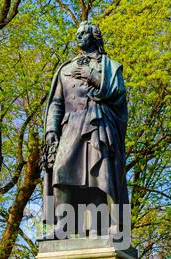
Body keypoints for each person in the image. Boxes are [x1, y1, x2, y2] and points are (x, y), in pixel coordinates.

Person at [43, 21, 128, 238]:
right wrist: (51, 129)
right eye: (77, 34)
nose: (79, 36)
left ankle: (104, 225)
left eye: (83, 33)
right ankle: (63, 226)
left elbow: (118, 93)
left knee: (99, 174)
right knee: (62, 171)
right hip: (71, 124)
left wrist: (92, 76)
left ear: (95, 36)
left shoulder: (109, 65)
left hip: (98, 122)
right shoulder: (65, 69)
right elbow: (56, 102)